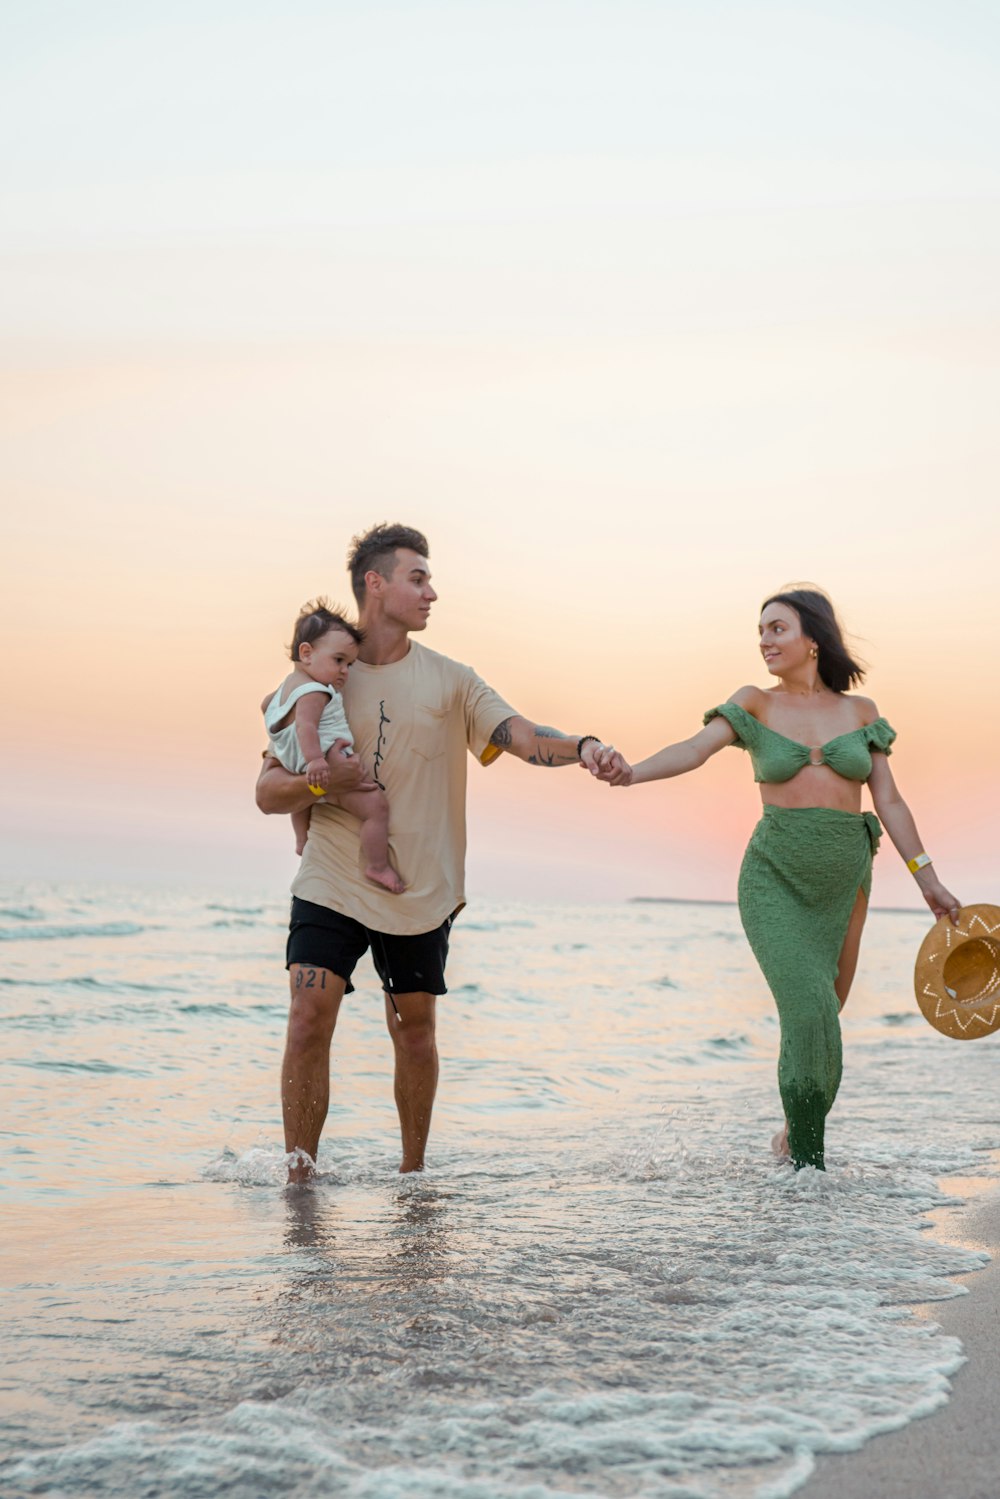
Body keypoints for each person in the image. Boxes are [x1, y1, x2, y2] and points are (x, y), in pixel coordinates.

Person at [256, 522, 622, 1180]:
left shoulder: (452, 680)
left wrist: (584, 746)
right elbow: (266, 790)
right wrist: (320, 781)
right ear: (376, 583)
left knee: (414, 1030)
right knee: (308, 1013)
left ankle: (412, 1177)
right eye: (417, 577)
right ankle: (299, 1179)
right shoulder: (319, 678)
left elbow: (520, 733)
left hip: (418, 888)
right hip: (332, 877)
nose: (432, 592)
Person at [596, 587, 960, 1171]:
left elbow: (889, 801)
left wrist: (928, 880)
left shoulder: (861, 714)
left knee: (824, 1024)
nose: (764, 640)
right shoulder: (754, 704)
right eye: (761, 631)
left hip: (846, 880)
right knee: (809, 1009)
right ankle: (808, 1175)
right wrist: (633, 774)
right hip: (775, 877)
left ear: (812, 638)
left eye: (776, 629)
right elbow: (694, 749)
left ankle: (794, 1135)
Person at [262, 600, 404, 892]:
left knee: (304, 802)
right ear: (306, 653)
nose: (345, 672)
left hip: (296, 768)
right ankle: (377, 866)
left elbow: (266, 707)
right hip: (326, 765)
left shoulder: (280, 692)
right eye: (338, 660)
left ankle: (302, 840)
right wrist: (315, 761)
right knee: (376, 808)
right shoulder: (315, 692)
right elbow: (306, 725)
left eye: (349, 664)